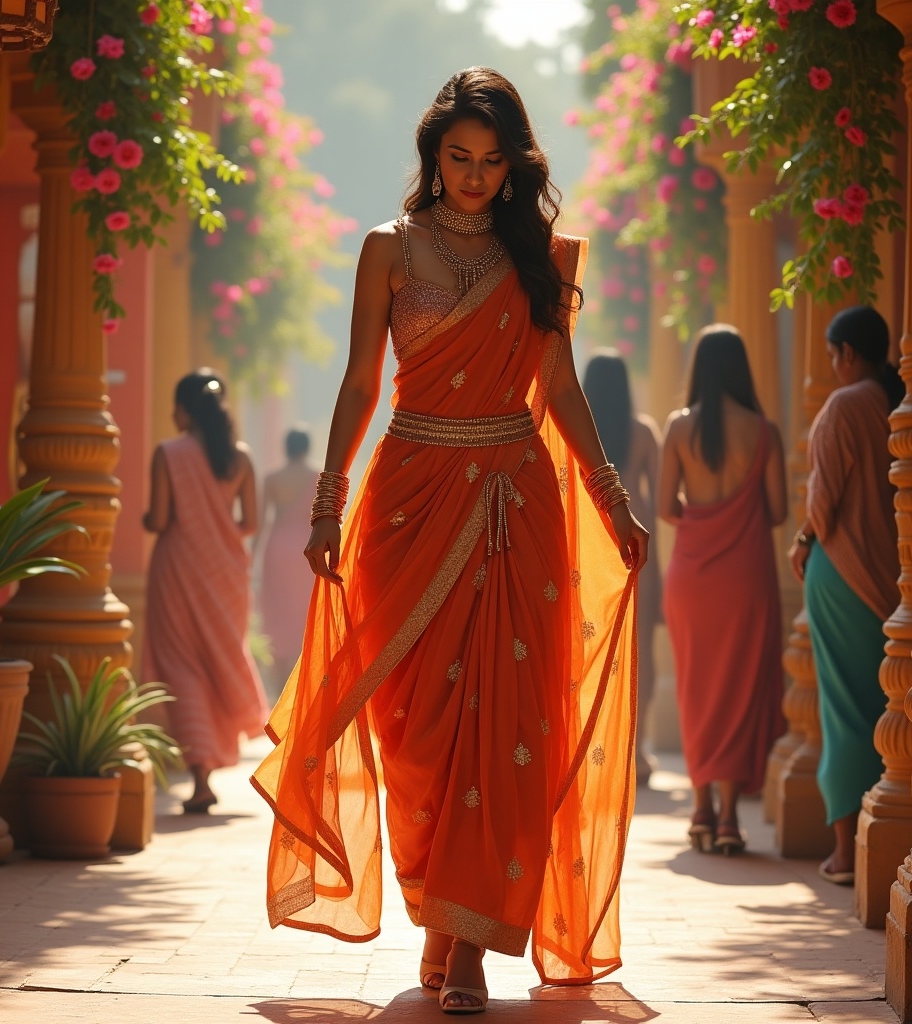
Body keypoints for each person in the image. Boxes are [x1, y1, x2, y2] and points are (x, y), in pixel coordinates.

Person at [251, 67, 649, 1014]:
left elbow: (559, 392)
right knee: (418, 732)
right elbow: (359, 385)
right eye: (457, 158)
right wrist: (325, 505)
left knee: (511, 726)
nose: (473, 176)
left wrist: (611, 496)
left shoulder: (541, 257)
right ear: (433, 156)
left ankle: (465, 950)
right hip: (407, 500)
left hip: (517, 508)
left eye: (490, 160)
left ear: (515, 164)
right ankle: (442, 918)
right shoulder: (389, 249)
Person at [658, 325, 787, 855]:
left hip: (692, 577)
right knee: (739, 688)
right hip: (746, 577)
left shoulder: (679, 428)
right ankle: (731, 817)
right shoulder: (764, 432)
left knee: (696, 686)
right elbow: (777, 511)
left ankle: (700, 807)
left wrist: (705, 522)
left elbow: (667, 507)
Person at [788, 305, 902, 886]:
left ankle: (842, 849)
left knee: (843, 710)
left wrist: (802, 538)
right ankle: (889, 834)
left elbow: (824, 501)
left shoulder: (843, 405)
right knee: (885, 705)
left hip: (840, 573)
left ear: (848, 354)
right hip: (892, 580)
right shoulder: (896, 401)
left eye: (833, 356)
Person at [142, 369, 268, 814]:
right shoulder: (241, 457)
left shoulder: (168, 453)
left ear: (186, 409)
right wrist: (217, 534)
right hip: (226, 573)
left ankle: (199, 774)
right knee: (219, 656)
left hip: (178, 570)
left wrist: (144, 519)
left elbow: (158, 520)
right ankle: (208, 764)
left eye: (175, 404)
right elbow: (251, 523)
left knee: (183, 665)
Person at [581, 349, 662, 785]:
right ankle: (638, 746)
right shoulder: (644, 433)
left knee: (589, 645)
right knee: (641, 649)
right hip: (638, 554)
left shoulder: (577, 435)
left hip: (591, 552)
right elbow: (660, 502)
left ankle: (595, 744)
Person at [256, 427, 318, 699]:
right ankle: (301, 685)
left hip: (277, 549)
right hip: (307, 550)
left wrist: (251, 558)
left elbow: (260, 523)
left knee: (279, 613)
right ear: (306, 447)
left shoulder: (272, 479)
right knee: (302, 614)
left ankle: (282, 685)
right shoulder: (318, 478)